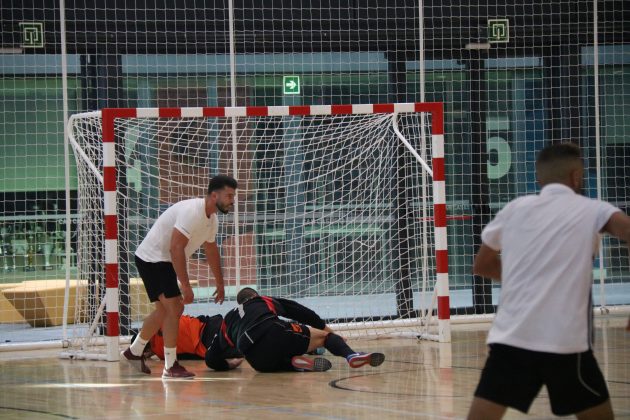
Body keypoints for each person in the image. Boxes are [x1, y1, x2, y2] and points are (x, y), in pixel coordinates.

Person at [467, 143, 630, 420]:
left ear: (539, 178)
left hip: (512, 340)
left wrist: (526, 277)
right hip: (565, 344)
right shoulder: (593, 209)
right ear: (577, 176)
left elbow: (482, 265)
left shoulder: (514, 209)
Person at [121, 174, 238, 379]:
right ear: (213, 196)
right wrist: (185, 285)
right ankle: (170, 365)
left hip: (159, 259)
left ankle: (135, 350)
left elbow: (211, 250)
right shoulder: (192, 212)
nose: (232, 200)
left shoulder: (212, 220)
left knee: (165, 310)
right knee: (175, 307)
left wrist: (220, 283)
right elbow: (176, 248)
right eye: (229, 196)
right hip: (153, 258)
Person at [205, 287, 386, 372]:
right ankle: (351, 356)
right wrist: (330, 331)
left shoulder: (227, 320)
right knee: (324, 338)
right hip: (272, 330)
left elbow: (211, 359)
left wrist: (231, 364)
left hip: (255, 359)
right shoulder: (262, 300)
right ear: (254, 295)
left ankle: (294, 363)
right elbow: (301, 312)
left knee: (272, 362)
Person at [133, 314, 244, 370]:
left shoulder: (163, 353)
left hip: (207, 344)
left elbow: (190, 356)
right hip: (209, 323)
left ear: (146, 352)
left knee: (245, 346)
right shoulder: (159, 320)